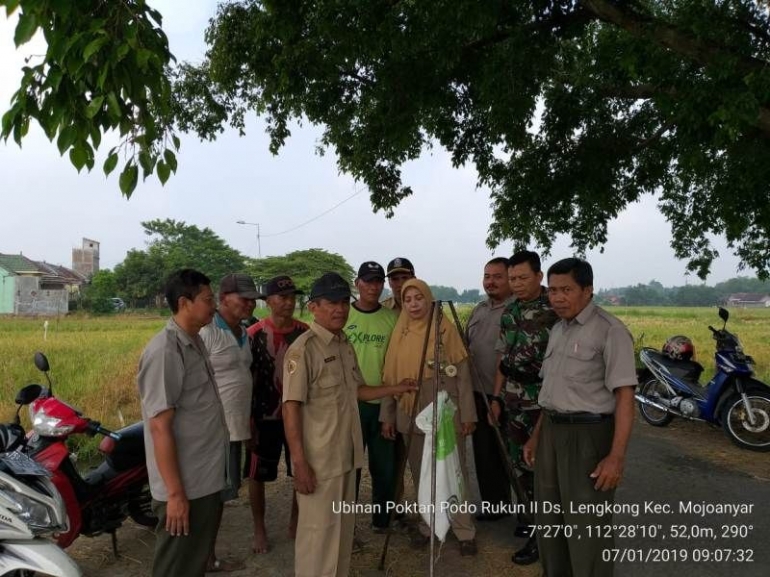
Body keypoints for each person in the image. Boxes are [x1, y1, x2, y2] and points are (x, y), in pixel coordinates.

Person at [283, 272, 415, 577]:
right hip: (319, 463)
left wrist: (395, 388)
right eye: (331, 302)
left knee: (341, 531)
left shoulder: (343, 344)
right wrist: (299, 463)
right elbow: (290, 408)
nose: (339, 309)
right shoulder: (303, 350)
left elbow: (358, 390)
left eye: (344, 302)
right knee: (317, 535)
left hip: (346, 455)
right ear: (313, 307)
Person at [523, 258, 637, 577]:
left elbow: (625, 397)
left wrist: (616, 457)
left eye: (567, 290)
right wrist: (536, 436)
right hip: (551, 434)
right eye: (554, 290)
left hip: (588, 437)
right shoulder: (559, 328)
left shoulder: (610, 331)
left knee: (586, 528)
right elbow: (552, 392)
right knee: (550, 521)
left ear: (587, 290)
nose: (557, 298)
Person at [136, 269, 229, 577]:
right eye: (207, 299)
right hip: (184, 485)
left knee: (193, 561)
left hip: (201, 477)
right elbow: (160, 426)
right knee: (176, 566)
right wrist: (175, 495)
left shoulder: (194, 341)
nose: (214, 305)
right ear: (184, 302)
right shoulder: (165, 350)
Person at [380, 279, 478, 556]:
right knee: (420, 473)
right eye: (407, 299)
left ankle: (463, 528)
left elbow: (463, 374)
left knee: (454, 472)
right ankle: (428, 525)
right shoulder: (400, 332)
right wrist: (386, 416)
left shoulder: (445, 329)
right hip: (409, 414)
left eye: (418, 298)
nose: (413, 304)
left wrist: (468, 414)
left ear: (429, 299)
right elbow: (389, 378)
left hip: (446, 413)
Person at [489, 250, 557, 565]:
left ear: (539, 277)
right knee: (518, 467)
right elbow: (503, 359)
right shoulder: (510, 311)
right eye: (512, 278)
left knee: (544, 471)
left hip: (544, 402)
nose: (516, 284)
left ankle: (545, 537)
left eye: (522, 278)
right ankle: (530, 524)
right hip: (514, 401)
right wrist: (496, 398)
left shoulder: (555, 310)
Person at [199, 273, 258, 572]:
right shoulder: (206, 331)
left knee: (221, 497)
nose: (249, 303)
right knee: (210, 500)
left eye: (252, 298)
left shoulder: (244, 332)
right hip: (212, 432)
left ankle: (207, 557)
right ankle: (206, 559)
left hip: (235, 430)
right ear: (223, 298)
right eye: (243, 298)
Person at [245, 275, 308, 554]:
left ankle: (296, 522)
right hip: (263, 417)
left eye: (292, 297)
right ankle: (259, 528)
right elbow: (247, 380)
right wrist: (247, 419)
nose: (289, 303)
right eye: (282, 298)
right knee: (257, 474)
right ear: (268, 301)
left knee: (301, 469)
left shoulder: (306, 334)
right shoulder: (254, 335)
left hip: (299, 417)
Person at [344, 261, 399, 532]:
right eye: (367, 281)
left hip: (381, 404)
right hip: (350, 405)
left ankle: (382, 521)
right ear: (357, 284)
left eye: (378, 281)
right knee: (349, 469)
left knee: (384, 469)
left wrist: (389, 409)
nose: (373, 287)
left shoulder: (392, 319)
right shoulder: (344, 316)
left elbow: (395, 364)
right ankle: (346, 524)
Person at [465, 257, 514, 522]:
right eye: (487, 276)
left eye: (497, 276)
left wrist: (498, 397)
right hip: (477, 393)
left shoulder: (516, 311)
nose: (490, 282)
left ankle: (528, 514)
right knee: (484, 453)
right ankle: (495, 505)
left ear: (510, 278)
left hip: (508, 396)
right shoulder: (478, 310)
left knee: (513, 455)